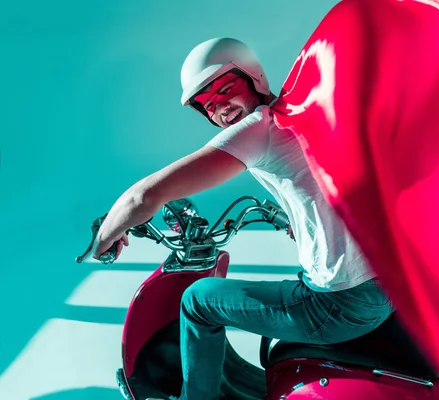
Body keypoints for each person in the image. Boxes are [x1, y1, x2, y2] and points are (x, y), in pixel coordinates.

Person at [92, 37, 394, 400]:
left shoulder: (259, 129)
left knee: (198, 300)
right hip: (384, 285)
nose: (221, 107)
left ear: (254, 77)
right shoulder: (299, 110)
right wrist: (294, 223)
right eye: (207, 104)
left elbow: (146, 196)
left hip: (340, 305)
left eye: (225, 88)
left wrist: (105, 235)